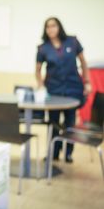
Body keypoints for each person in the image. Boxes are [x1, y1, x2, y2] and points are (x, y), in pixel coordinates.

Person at [35, 17, 91, 163]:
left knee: (70, 123)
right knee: (53, 123)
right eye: (47, 27)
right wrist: (40, 86)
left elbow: (83, 62)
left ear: (59, 27)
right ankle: (53, 153)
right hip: (53, 90)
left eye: (53, 26)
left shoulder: (72, 42)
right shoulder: (43, 48)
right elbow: (38, 70)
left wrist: (87, 82)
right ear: (45, 30)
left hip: (73, 89)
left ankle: (68, 153)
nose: (51, 29)